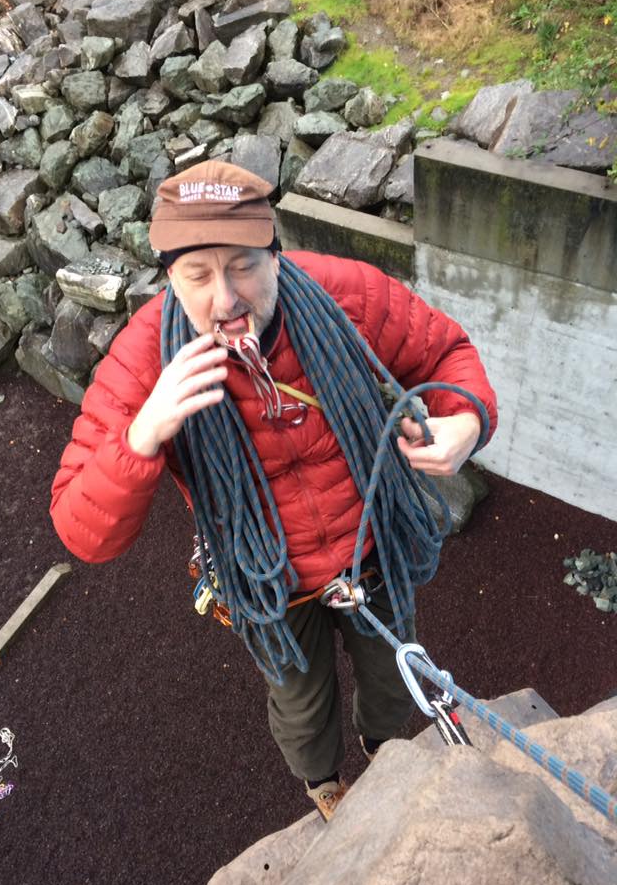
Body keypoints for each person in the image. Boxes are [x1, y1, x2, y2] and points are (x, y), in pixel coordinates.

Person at [50, 160, 498, 821]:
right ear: (169, 276)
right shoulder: (146, 356)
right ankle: (322, 782)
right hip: (269, 581)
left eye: (244, 266)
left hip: (372, 547)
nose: (225, 300)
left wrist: (467, 421)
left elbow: (444, 352)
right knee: (299, 698)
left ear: (276, 255)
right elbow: (79, 529)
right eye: (197, 275)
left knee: (390, 672)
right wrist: (143, 434)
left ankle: (384, 747)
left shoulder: (342, 294)